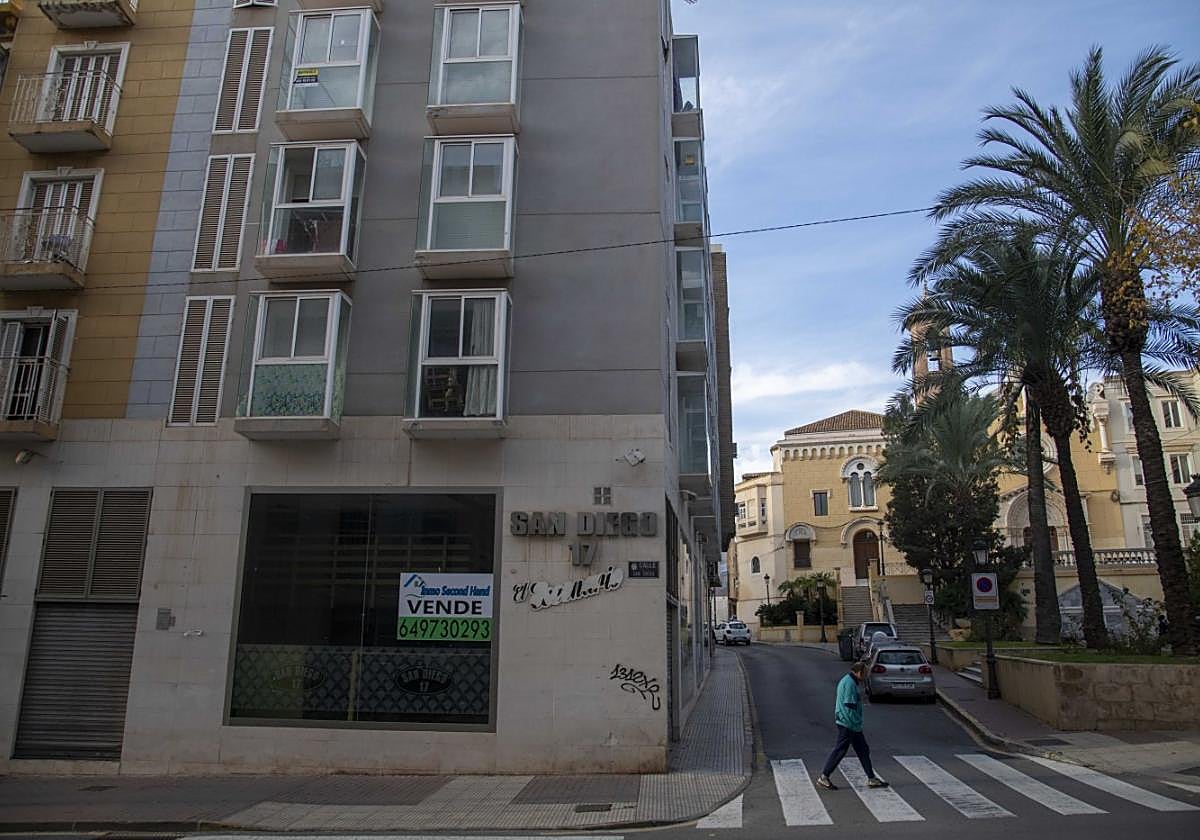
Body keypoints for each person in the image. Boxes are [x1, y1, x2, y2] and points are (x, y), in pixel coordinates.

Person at [816, 661, 889, 790]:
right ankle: (824, 777)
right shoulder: (849, 683)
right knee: (840, 750)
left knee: (863, 750)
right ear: (859, 672)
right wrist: (855, 722)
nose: (865, 676)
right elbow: (849, 705)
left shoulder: (849, 680)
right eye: (864, 673)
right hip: (848, 723)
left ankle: (871, 778)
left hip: (851, 724)